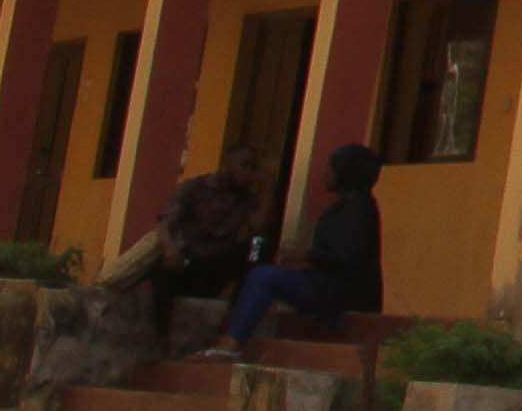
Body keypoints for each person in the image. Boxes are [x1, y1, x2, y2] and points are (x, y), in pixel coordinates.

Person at [219, 144, 382, 358]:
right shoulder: (347, 206)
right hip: (330, 286)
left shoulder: (358, 209)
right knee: (255, 266)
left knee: (264, 277)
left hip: (344, 295)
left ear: (345, 172)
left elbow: (345, 256)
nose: (324, 173)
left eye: (330, 168)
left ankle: (230, 345)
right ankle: (228, 332)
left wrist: (303, 257)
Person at [104, 148, 260, 302]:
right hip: (186, 259)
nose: (248, 172)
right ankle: (110, 281)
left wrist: (268, 192)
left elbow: (258, 232)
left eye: (253, 168)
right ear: (227, 164)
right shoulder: (196, 187)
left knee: (257, 246)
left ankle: (239, 305)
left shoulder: (247, 200)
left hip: (214, 264)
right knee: (158, 256)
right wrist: (170, 249)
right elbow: (166, 222)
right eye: (244, 166)